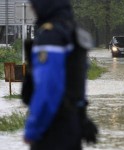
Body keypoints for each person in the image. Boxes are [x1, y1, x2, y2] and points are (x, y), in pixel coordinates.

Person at [22, 0, 98, 149]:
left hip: (53, 128)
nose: (31, 7)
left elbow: (48, 90)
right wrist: (81, 118)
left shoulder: (51, 36)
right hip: (72, 123)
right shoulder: (70, 31)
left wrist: (32, 130)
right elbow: (75, 86)